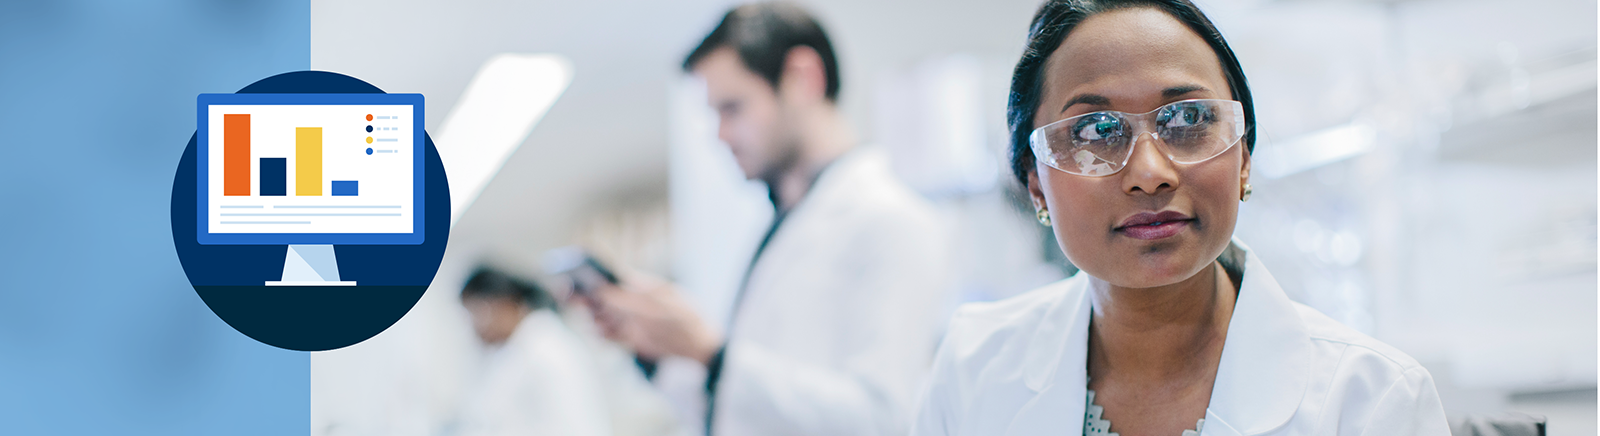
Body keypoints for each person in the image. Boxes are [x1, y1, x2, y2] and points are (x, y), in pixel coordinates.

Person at [909, 1, 1450, 435]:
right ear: (1035, 184)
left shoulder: (1372, 401)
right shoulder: (973, 369)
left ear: (1243, 157)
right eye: (1095, 131)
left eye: (1188, 118)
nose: (1150, 173)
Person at [579, 2, 951, 436]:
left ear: (801, 79)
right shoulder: (785, 223)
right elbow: (738, 411)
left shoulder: (892, 221)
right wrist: (654, 349)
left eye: (732, 108)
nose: (719, 135)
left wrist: (713, 353)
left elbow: (883, 419)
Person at [454, 267, 610, 436]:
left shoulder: (549, 349)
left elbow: (573, 428)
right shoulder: (512, 351)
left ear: (506, 303)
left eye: (477, 312)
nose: (474, 325)